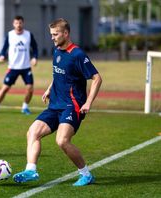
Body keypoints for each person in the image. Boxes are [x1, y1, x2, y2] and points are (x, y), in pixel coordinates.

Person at [13, 18, 102, 186]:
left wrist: (88, 102)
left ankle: (86, 174)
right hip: (55, 104)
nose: (52, 38)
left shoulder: (77, 54)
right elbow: (59, 75)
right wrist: (49, 88)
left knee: (62, 141)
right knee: (32, 132)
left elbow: (97, 78)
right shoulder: (56, 51)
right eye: (51, 34)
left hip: (72, 105)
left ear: (66, 33)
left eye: (55, 34)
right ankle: (31, 170)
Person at [0, 16, 38, 115]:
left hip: (26, 67)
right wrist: (1, 55)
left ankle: (25, 107)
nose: (18, 25)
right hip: (13, 67)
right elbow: (4, 47)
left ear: (23, 23)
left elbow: (35, 47)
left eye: (20, 23)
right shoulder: (10, 35)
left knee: (30, 88)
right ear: (13, 24)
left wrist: (35, 57)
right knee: (5, 88)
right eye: (16, 23)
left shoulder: (28, 35)